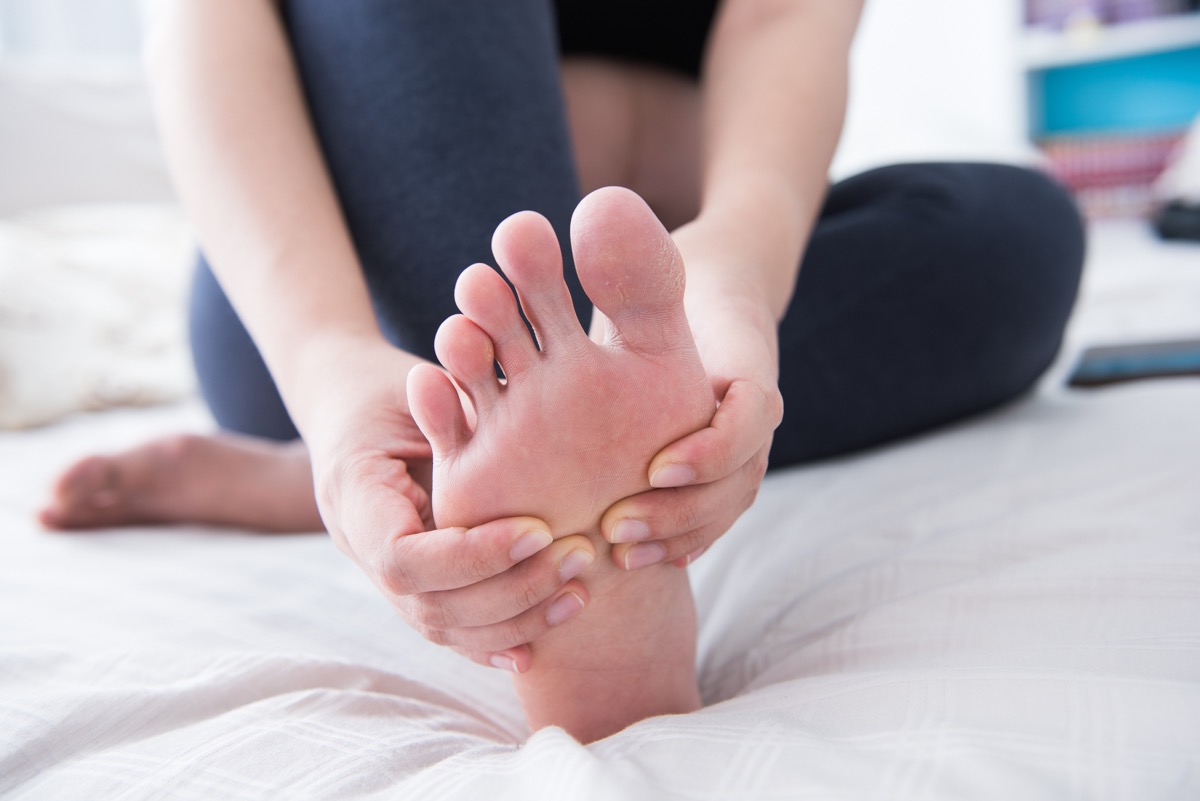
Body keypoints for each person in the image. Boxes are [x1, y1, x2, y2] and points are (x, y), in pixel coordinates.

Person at [39, 0, 1085, 742]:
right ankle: (559, 568)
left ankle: (463, 466)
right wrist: (324, 361)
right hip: (342, 305)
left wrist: (741, 268)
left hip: (668, 274)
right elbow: (202, 18)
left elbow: (785, 18)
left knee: (1018, 234)